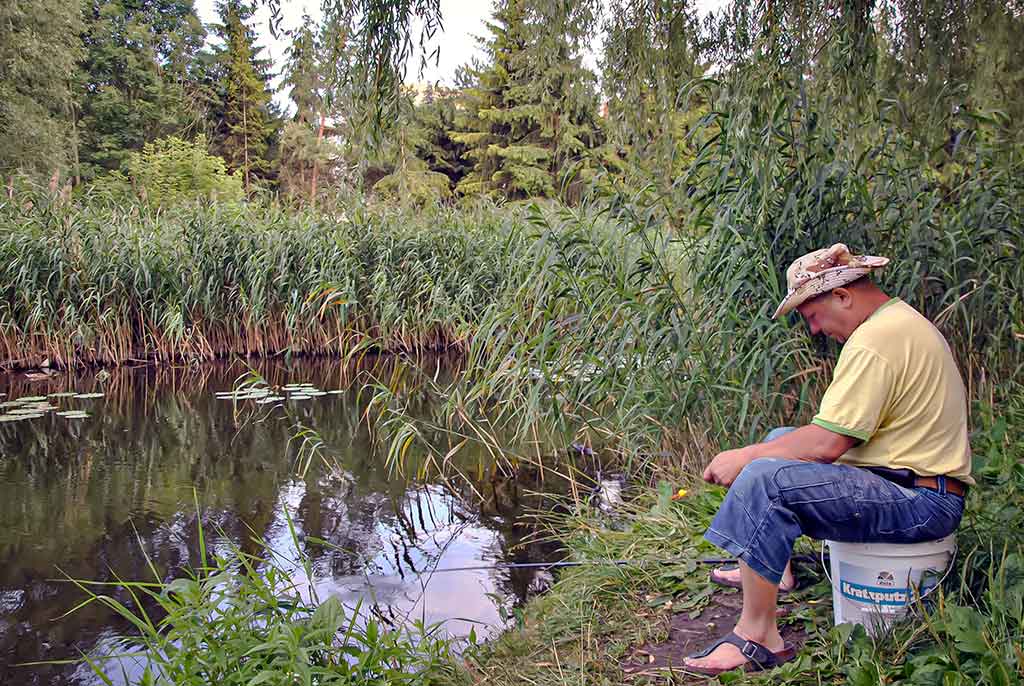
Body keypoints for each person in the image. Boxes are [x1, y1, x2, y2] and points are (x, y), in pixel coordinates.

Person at [683, 243, 972, 676]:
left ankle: (758, 637)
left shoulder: (876, 340)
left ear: (842, 295)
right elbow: (836, 434)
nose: (815, 330)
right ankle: (772, 570)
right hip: (913, 483)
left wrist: (745, 456)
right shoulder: (895, 323)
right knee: (780, 441)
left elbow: (827, 443)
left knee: (765, 477)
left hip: (922, 502)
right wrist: (764, 451)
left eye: (812, 315)